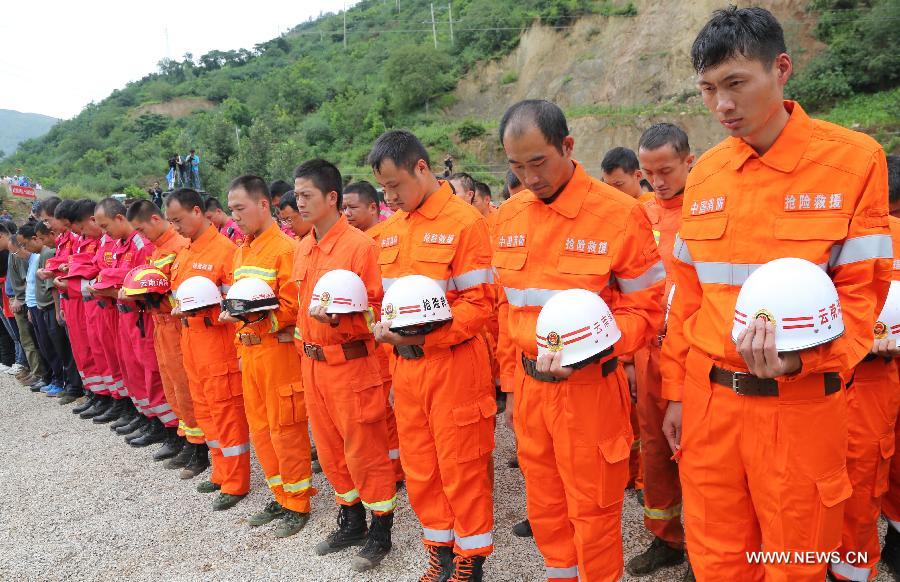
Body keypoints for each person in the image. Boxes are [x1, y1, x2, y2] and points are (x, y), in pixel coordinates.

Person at [659, 8, 891, 581]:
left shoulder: (854, 162)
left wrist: (801, 359)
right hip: (710, 404)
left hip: (800, 406)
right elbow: (688, 299)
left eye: (736, 84)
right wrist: (677, 394)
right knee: (716, 560)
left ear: (781, 69)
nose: (722, 106)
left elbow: (863, 300)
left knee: (794, 561)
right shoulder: (706, 174)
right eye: (708, 90)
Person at [493, 100, 664, 581]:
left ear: (567, 146)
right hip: (529, 392)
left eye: (538, 162)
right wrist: (509, 383)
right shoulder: (505, 220)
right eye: (515, 166)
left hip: (589, 392)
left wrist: (596, 350)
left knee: (593, 514)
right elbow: (507, 308)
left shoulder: (619, 215)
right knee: (546, 509)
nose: (528, 176)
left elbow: (646, 310)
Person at [368, 130, 495, 581]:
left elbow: (479, 306)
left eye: (394, 185)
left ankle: (470, 559)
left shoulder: (464, 223)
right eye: (383, 188)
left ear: (421, 168)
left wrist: (424, 339)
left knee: (462, 465)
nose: (389, 196)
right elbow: (385, 303)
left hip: (455, 365)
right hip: (406, 370)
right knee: (420, 466)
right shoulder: (389, 232)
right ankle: (439, 552)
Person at [291, 159, 397, 571]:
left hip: (351, 365)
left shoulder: (360, 247)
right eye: (297, 195)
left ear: (331, 197)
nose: (299, 203)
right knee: (332, 450)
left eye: (306, 195)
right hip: (313, 365)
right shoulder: (304, 246)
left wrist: (341, 318)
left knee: (364, 450)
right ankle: (350, 519)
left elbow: (377, 311)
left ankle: (381, 528)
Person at [224, 175, 314, 537]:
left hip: (277, 354)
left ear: (264, 205)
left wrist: (255, 319)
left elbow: (294, 307)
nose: (235, 217)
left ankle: (297, 501)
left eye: (240, 209)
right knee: (261, 429)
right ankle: (280, 493)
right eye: (231, 210)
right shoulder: (241, 251)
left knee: (286, 429)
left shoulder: (286, 249)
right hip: (251, 354)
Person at [624, 123, 694, 577]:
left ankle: (707, 550)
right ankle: (666, 538)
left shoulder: (708, 211)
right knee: (653, 448)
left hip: (694, 353)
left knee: (697, 453)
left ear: (690, 161)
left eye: (666, 170)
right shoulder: (639, 215)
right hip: (650, 351)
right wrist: (630, 359)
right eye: (648, 174)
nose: (658, 182)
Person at [167, 188, 251, 496]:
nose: (175, 228)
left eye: (178, 220)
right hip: (190, 339)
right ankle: (219, 472)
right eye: (171, 222)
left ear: (197, 212)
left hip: (217, 341)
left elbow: (236, 305)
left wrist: (209, 309)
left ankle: (236, 481)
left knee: (225, 412)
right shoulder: (185, 252)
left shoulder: (225, 251)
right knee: (205, 411)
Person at [94, 198, 176, 446]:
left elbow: (142, 281)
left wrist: (112, 283)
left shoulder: (143, 244)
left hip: (144, 315)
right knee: (134, 368)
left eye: (106, 226)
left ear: (120, 218)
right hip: (126, 314)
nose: (104, 233)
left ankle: (168, 428)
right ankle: (148, 417)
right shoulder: (120, 244)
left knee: (152, 370)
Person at [127, 200, 201, 463]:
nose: (140, 235)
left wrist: (154, 298)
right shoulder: (157, 250)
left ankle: (198, 446)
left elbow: (182, 294)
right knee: (171, 386)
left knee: (185, 387)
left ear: (156, 220)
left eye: (141, 229)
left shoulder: (179, 247)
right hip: (161, 325)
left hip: (176, 326)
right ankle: (185, 437)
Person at [344, 180, 405, 483]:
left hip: (384, 335)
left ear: (373, 207)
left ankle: (395, 468)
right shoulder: (352, 241)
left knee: (387, 409)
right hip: (366, 338)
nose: (347, 213)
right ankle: (387, 464)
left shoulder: (384, 239)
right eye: (344, 208)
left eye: (352, 207)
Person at [8, 230, 48, 392]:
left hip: (34, 304)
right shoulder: (28, 259)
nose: (16, 255)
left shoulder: (36, 257)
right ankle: (40, 374)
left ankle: (42, 374)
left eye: (17, 250)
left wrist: (21, 299)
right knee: (30, 340)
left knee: (36, 342)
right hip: (30, 304)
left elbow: (30, 284)